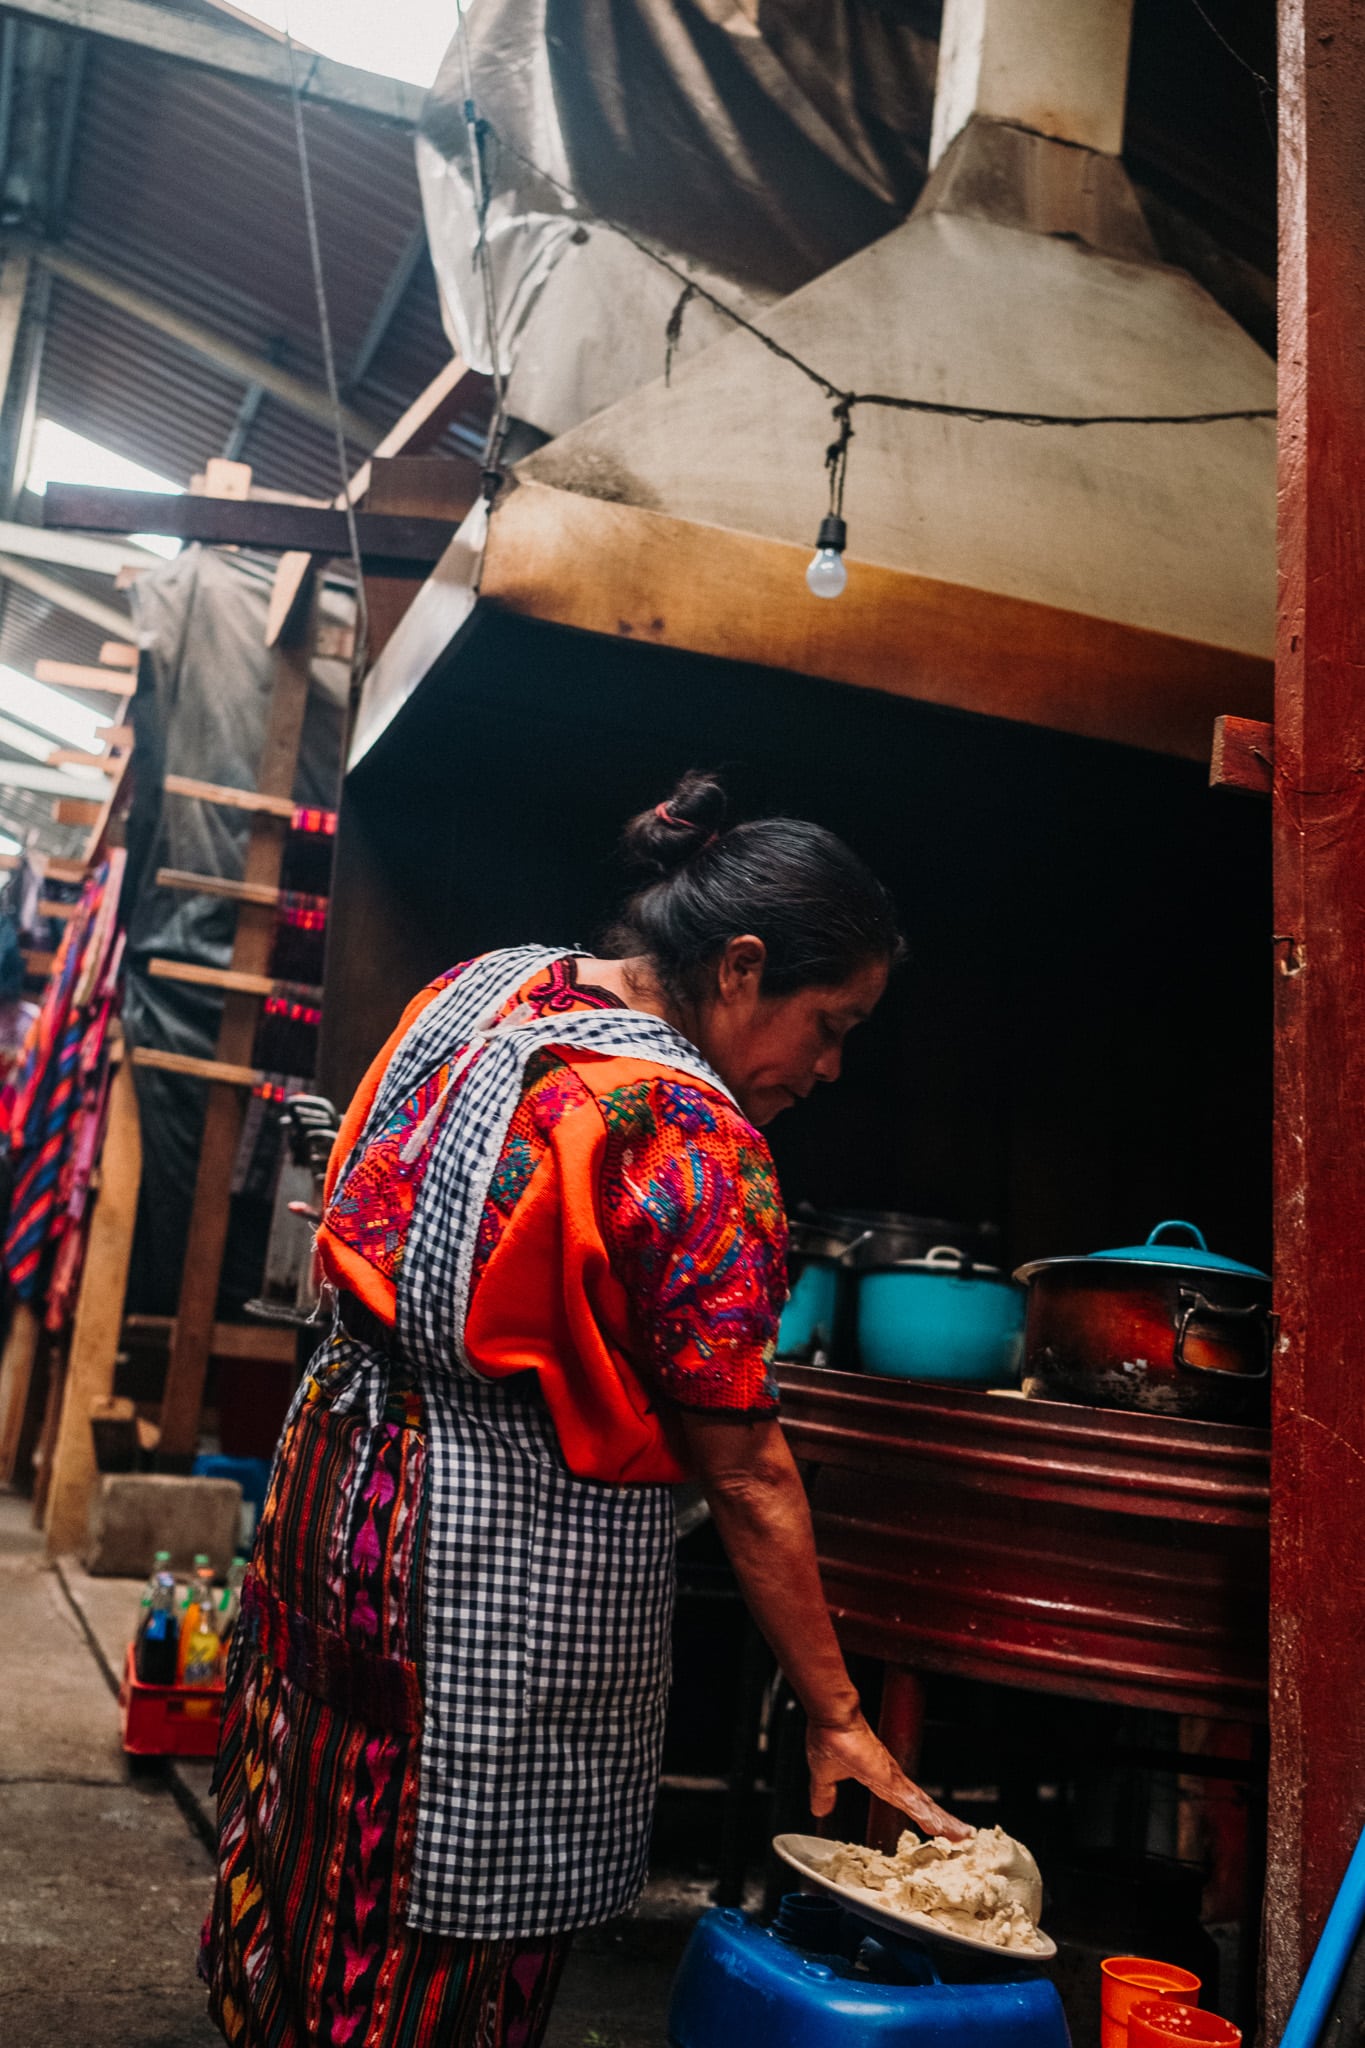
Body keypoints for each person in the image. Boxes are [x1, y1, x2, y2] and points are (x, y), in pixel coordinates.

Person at [203, 772, 967, 2048]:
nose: (831, 1066)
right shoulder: (693, 1137)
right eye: (829, 1023)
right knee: (443, 1918)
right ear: (741, 965)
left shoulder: (488, 984)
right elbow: (748, 1472)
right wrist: (840, 1716)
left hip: (332, 1478)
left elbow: (361, 1189)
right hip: (485, 1564)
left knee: (318, 1825)